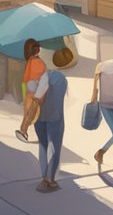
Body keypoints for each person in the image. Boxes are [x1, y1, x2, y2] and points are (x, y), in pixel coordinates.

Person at [33, 48, 71, 190]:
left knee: (43, 146)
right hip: (55, 117)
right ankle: (50, 178)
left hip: (39, 116)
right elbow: (62, 99)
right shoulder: (61, 79)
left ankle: (44, 176)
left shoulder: (37, 75)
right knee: (53, 145)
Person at [15, 38, 45, 143]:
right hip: (34, 90)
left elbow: (25, 79)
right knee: (31, 113)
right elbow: (39, 78)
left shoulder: (30, 61)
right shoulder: (37, 62)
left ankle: (23, 131)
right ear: (37, 50)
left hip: (28, 89)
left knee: (27, 113)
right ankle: (23, 131)